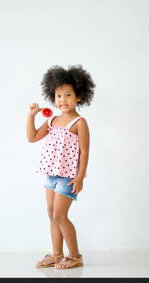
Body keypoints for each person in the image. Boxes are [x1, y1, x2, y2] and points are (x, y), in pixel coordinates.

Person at [26, 65, 95, 269]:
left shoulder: (79, 122)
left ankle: (75, 256)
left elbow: (85, 152)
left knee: (59, 215)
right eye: (58, 95)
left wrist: (80, 177)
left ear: (79, 97)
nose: (62, 99)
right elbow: (31, 137)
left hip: (68, 177)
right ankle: (57, 254)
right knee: (51, 213)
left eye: (68, 95)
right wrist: (31, 116)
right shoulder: (52, 120)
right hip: (51, 175)